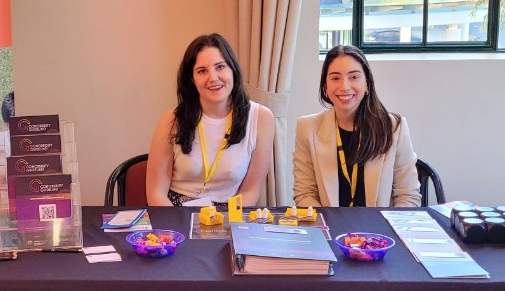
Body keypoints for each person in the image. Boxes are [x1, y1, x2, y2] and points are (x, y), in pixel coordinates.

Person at [146, 33, 274, 206]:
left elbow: (251, 191)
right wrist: (180, 229)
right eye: (202, 71)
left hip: (229, 212)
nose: (213, 78)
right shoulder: (171, 120)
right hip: (175, 211)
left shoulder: (261, 118)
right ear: (192, 79)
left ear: (233, 70)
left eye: (220, 67)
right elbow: (156, 194)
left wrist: (220, 225)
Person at [293, 45, 419, 207]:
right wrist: (328, 227)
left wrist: (383, 230)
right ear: (325, 86)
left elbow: (408, 196)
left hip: (379, 229)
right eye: (335, 78)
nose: (344, 86)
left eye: (354, 77)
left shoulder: (394, 128)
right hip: (331, 228)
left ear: (367, 84)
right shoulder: (307, 127)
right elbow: (305, 194)